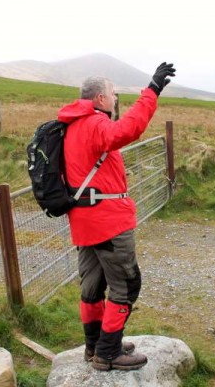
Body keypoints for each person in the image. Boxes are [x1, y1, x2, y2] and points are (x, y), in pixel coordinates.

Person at [57, 62, 176, 371]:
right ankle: (108, 353)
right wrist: (152, 91)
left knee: (92, 286)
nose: (115, 98)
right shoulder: (95, 123)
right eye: (112, 93)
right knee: (126, 284)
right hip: (107, 221)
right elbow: (129, 129)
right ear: (99, 98)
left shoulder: (72, 125)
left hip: (84, 221)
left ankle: (94, 345)